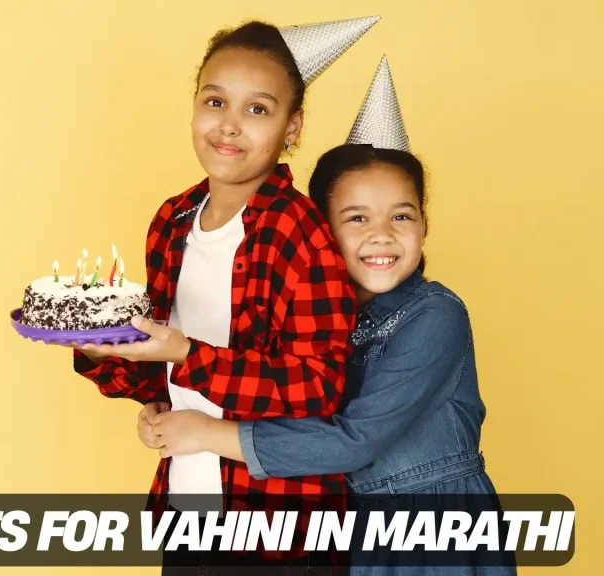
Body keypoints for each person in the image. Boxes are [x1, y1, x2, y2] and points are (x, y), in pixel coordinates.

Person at [141, 58, 515, 576]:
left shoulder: (435, 316)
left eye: (401, 216)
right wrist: (165, 406)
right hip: (353, 530)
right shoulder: (317, 318)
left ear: (424, 225)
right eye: (356, 218)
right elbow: (274, 392)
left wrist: (203, 433)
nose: (380, 235)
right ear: (322, 232)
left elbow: (353, 440)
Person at [67, 20, 357, 574]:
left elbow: (317, 387)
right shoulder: (171, 220)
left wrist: (185, 355)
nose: (229, 126)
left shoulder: (300, 233)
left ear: (292, 126)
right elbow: (160, 372)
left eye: (258, 110)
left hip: (278, 526)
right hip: (187, 506)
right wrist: (106, 353)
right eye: (216, 100)